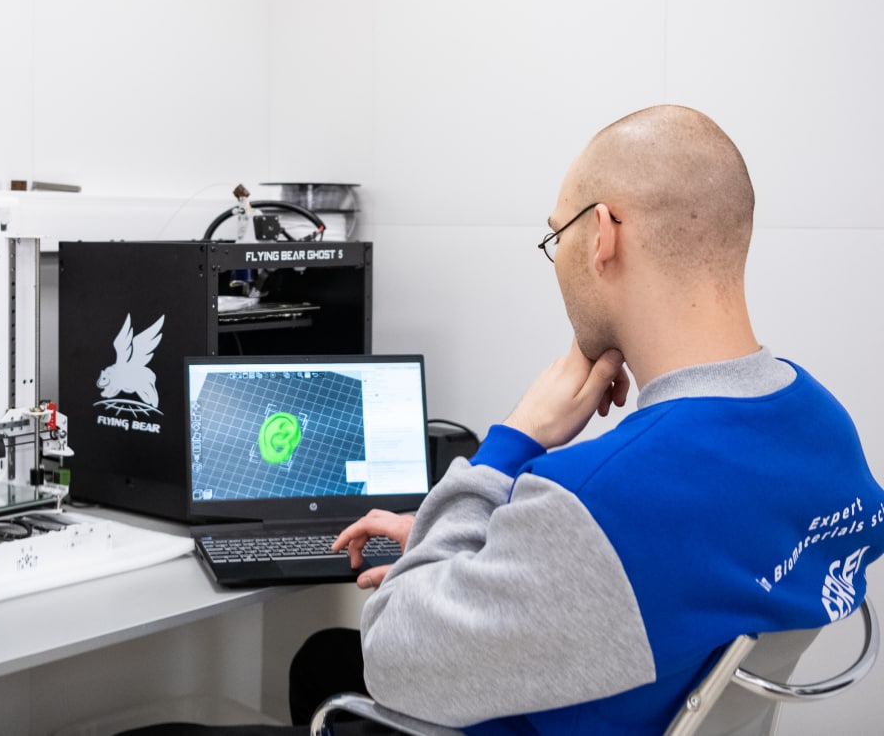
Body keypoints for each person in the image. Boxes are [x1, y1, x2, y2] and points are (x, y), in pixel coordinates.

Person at [133, 105, 884, 735]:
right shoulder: (824, 427)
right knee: (320, 660)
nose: (559, 259)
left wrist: (512, 440)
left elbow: (391, 651)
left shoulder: (602, 496)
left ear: (603, 234)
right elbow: (665, 565)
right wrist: (485, 538)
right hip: (637, 686)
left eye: (558, 236)